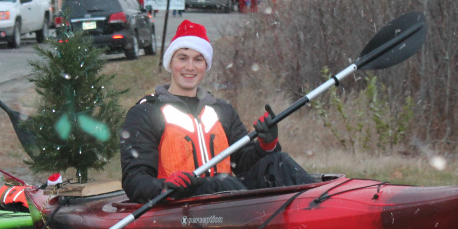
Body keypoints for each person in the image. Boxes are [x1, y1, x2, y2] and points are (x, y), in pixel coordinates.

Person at [120, 20, 313, 204]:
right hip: (180, 204)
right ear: (171, 63)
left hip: (227, 200)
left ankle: (318, 205)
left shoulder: (222, 110)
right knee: (223, 183)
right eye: (182, 58)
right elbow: (135, 179)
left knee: (278, 161)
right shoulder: (145, 113)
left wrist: (266, 146)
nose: (190, 67)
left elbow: (245, 164)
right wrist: (163, 187)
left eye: (198, 59)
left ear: (206, 66)